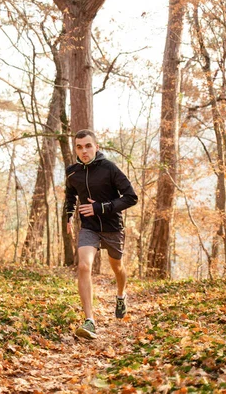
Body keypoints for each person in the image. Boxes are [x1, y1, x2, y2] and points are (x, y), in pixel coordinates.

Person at [65, 129, 138, 339]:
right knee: (83, 265)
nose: (84, 151)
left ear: (96, 147)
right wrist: (69, 214)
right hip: (89, 227)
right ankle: (89, 321)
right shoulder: (72, 171)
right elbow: (70, 194)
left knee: (117, 267)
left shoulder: (109, 168)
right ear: (76, 149)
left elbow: (131, 197)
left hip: (112, 226)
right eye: (79, 147)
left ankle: (121, 295)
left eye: (88, 146)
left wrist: (101, 208)